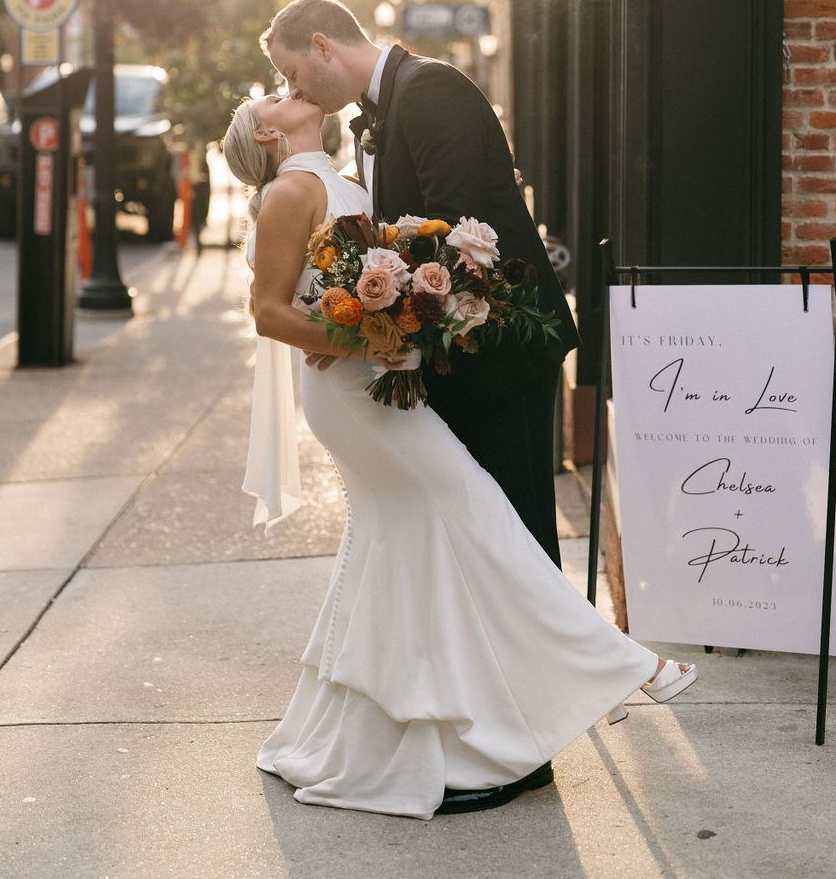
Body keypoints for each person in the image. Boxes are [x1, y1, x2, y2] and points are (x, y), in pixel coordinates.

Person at [222, 90, 697, 821]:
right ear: (266, 130)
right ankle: (627, 665)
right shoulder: (290, 191)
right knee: (473, 510)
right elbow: (270, 311)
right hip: (352, 393)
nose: (294, 90)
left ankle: (360, 731)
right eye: (278, 93)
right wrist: (365, 339)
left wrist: (407, 315)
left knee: (401, 541)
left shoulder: (338, 177)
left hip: (377, 380)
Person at [260, 0, 578, 568]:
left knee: (518, 533)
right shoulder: (372, 121)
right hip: (455, 350)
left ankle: (566, 656)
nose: (297, 89)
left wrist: (367, 329)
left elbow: (455, 233)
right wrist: (352, 322)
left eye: (293, 73)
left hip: (501, 350)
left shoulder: (430, 90)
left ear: (322, 46)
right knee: (479, 539)